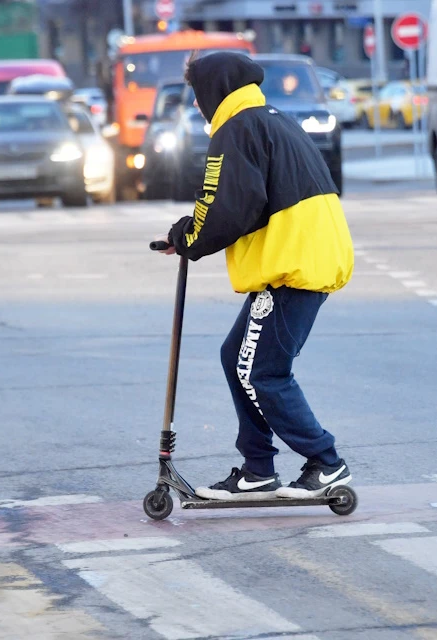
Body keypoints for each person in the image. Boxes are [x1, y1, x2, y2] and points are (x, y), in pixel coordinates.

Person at [154, 51, 354, 501]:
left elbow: (228, 207)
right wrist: (188, 233)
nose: (196, 106)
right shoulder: (269, 118)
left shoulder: (237, 127)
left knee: (260, 370)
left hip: (292, 266)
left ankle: (325, 462)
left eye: (197, 95)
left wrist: (187, 237)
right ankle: (258, 468)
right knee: (238, 358)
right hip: (303, 257)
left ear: (212, 90)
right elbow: (242, 202)